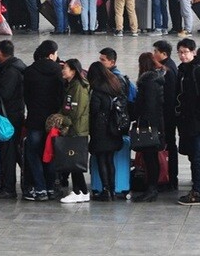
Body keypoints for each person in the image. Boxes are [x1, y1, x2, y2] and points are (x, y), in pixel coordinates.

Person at [22, 40, 64, 201]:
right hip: (53, 121)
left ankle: (39, 189)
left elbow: (26, 96)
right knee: (51, 153)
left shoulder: (30, 71)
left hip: (34, 118)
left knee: (34, 154)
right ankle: (51, 187)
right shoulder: (58, 71)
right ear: (51, 54)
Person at [0, 40, 26, 199]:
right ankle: (16, 182)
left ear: (0, 53)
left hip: (8, 117)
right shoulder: (16, 66)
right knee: (12, 151)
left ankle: (8, 187)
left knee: (7, 152)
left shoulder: (9, 71)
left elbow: (4, 93)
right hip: (14, 115)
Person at [175, 38, 200, 205]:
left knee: (199, 156)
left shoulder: (198, 71)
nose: (183, 55)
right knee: (193, 156)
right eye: (181, 52)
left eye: (186, 52)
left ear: (193, 52)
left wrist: (198, 116)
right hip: (187, 123)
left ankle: (198, 191)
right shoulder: (183, 70)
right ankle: (196, 186)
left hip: (197, 124)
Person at [87, 60, 125, 202]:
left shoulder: (97, 90)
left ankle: (105, 189)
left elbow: (94, 110)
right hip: (114, 128)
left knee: (102, 159)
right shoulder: (114, 84)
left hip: (101, 129)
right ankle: (113, 190)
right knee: (110, 160)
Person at [57, 59, 91, 204]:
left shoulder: (78, 87)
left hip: (77, 130)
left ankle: (79, 191)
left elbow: (75, 113)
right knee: (72, 162)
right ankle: (81, 191)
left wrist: (61, 120)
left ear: (73, 71)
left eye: (65, 68)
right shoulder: (71, 86)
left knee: (74, 162)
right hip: (72, 130)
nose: (63, 70)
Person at [132, 52, 165, 203]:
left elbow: (147, 105)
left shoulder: (148, 82)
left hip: (149, 125)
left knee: (150, 157)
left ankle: (151, 188)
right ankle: (152, 187)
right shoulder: (157, 79)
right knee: (152, 157)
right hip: (157, 124)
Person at [152, 40, 179, 190]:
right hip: (169, 114)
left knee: (168, 145)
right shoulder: (170, 66)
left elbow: (167, 96)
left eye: (156, 51)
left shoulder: (167, 70)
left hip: (167, 115)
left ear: (164, 54)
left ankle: (170, 177)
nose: (154, 54)